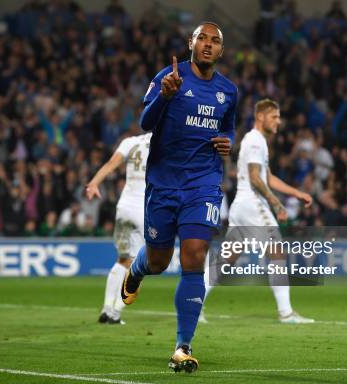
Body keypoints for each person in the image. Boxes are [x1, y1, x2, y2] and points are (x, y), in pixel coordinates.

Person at [121, 22, 237, 373]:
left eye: (215, 41)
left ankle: (182, 347)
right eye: (202, 38)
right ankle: (138, 271)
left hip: (203, 184)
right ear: (191, 42)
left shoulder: (228, 91)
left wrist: (226, 141)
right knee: (158, 260)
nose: (208, 44)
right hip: (163, 183)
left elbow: (228, 127)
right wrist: (165, 96)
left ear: (220, 51)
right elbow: (144, 123)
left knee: (194, 256)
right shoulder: (168, 77)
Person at [214, 99, 314, 323]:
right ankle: (286, 313)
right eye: (274, 116)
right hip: (252, 204)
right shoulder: (255, 141)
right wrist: (276, 203)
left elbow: (268, 178)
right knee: (277, 250)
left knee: (224, 260)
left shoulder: (257, 141)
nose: (279, 121)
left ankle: (193, 301)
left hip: (240, 206)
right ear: (260, 116)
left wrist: (296, 193)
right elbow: (255, 177)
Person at [85, 132, 152, 325]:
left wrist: (94, 183)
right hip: (143, 209)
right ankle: (115, 313)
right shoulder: (165, 141)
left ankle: (107, 309)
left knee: (123, 259)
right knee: (142, 265)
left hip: (123, 208)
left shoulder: (130, 142)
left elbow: (111, 164)